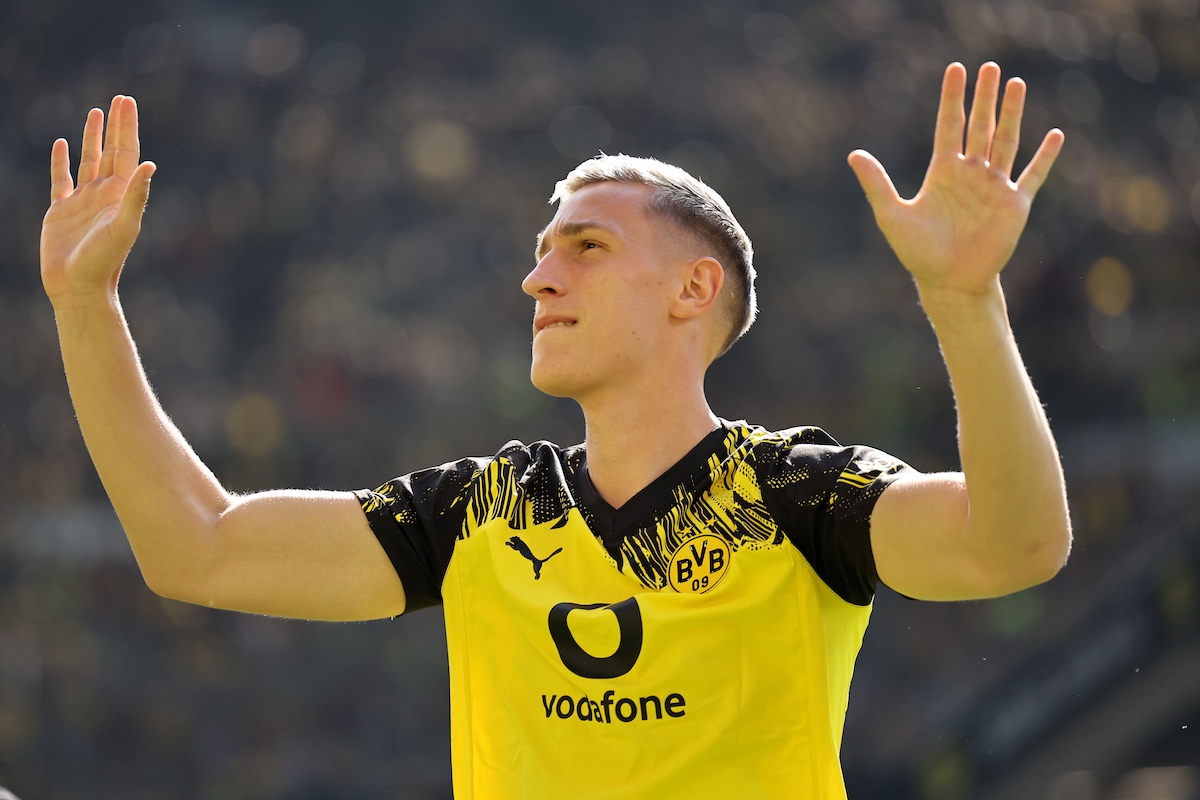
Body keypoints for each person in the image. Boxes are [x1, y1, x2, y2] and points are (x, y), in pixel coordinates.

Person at [40, 61, 1071, 798]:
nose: (539, 277)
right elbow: (197, 547)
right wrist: (86, 305)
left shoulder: (793, 493)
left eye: (586, 246)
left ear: (692, 289)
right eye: (542, 251)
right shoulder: (483, 511)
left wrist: (963, 299)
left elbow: (1015, 544)